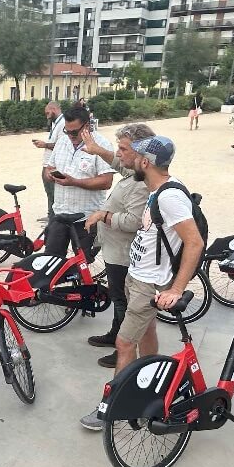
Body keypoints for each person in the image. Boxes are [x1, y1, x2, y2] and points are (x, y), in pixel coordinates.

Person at [80, 135, 203, 429]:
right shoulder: (156, 188)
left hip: (149, 282)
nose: (127, 159)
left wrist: (176, 289)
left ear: (145, 162)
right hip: (138, 276)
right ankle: (154, 387)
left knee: (124, 343)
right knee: (147, 330)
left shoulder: (169, 197)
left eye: (132, 155)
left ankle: (111, 410)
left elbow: (194, 242)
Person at [79, 122, 155, 368]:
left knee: (124, 302)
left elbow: (134, 221)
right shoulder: (135, 172)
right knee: (118, 297)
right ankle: (116, 334)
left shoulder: (142, 183)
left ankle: (124, 347)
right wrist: (97, 150)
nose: (118, 153)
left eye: (123, 148)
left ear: (141, 154)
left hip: (125, 255)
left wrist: (104, 215)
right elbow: (118, 164)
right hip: (115, 251)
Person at [44, 106, 114, 260]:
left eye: (74, 132)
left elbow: (106, 181)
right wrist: (49, 174)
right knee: (51, 260)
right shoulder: (62, 141)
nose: (70, 136)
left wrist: (74, 182)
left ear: (86, 126)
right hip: (60, 214)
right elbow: (48, 167)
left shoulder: (102, 145)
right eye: (67, 131)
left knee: (83, 263)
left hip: (86, 217)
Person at [31, 101, 66, 222]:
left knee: (54, 192)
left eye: (47, 113)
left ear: (54, 109)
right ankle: (51, 215)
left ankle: (54, 219)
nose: (46, 116)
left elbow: (62, 145)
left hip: (55, 164)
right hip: (48, 162)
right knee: (49, 192)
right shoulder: (55, 123)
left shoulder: (63, 123)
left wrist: (45, 145)